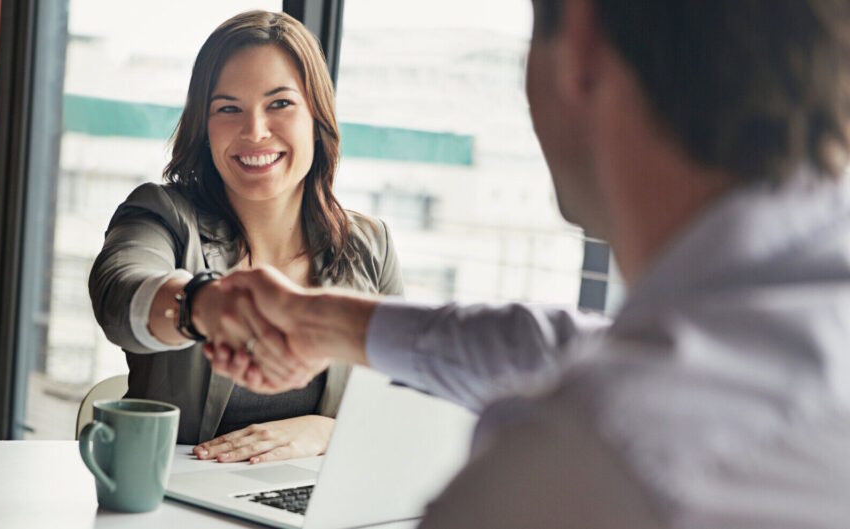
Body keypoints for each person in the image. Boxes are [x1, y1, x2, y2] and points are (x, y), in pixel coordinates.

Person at [200, 1, 850, 526]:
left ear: (582, 41)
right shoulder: (803, 306)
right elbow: (568, 345)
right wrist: (331, 324)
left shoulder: (588, 459)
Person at [88, 10, 403, 464]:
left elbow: (404, 404)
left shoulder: (370, 246)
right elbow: (120, 299)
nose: (255, 131)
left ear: (316, 115)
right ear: (204, 126)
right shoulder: (162, 214)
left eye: (280, 104)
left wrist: (328, 431)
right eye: (228, 108)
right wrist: (206, 306)